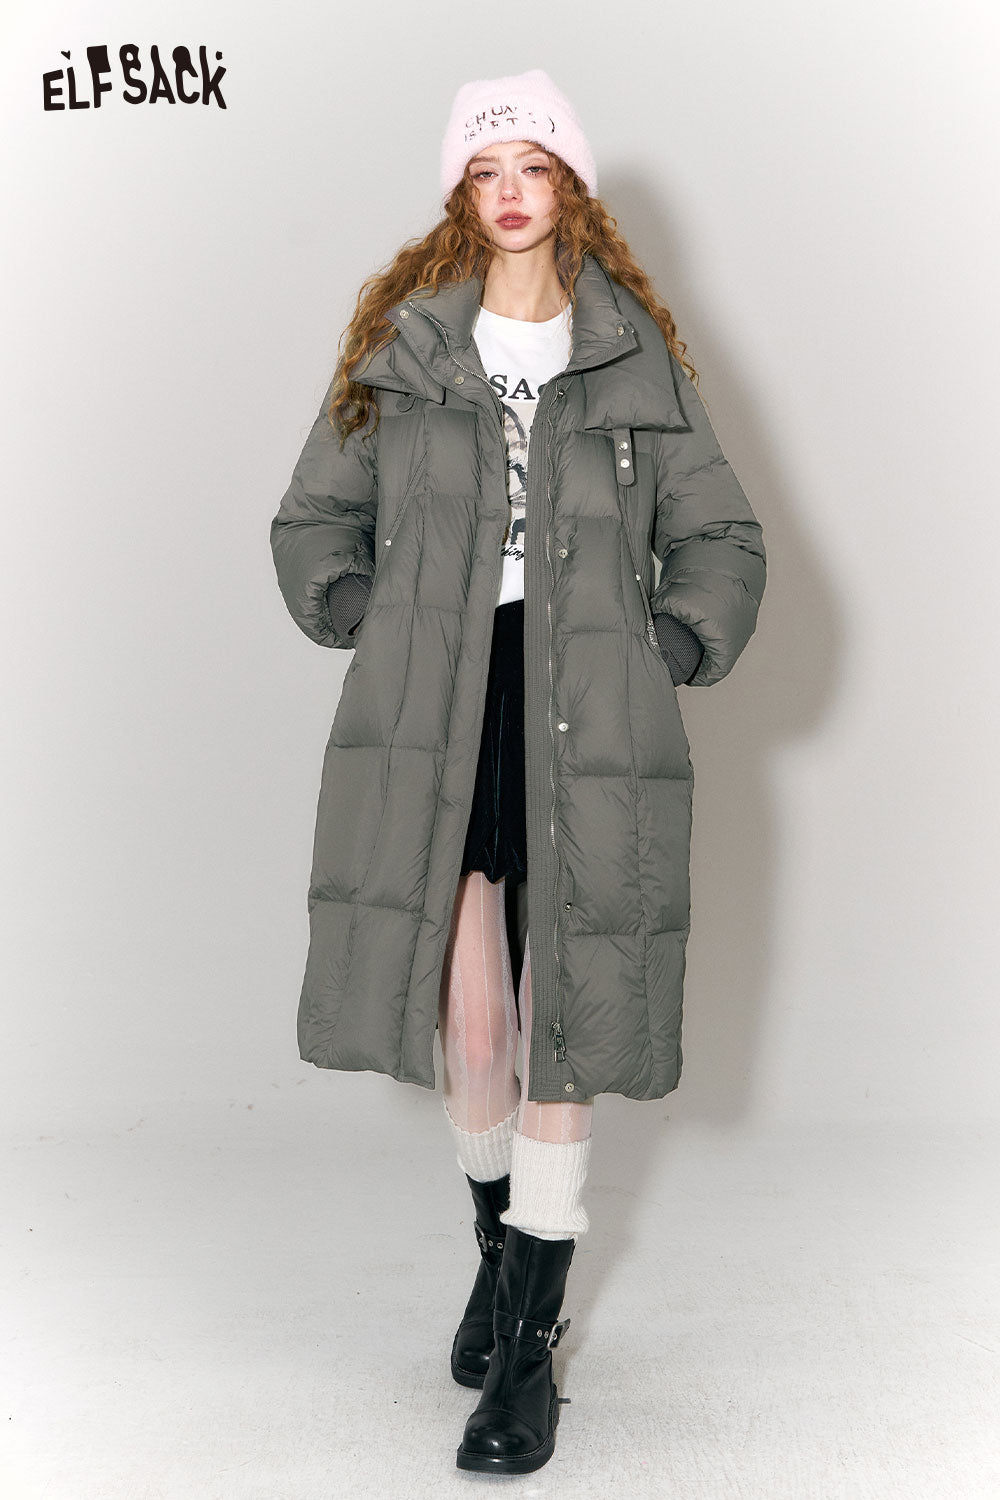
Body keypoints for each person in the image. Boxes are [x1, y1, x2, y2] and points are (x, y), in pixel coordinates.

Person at [269, 68, 766, 1476]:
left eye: (533, 165)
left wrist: (675, 639)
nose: (509, 190)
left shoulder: (630, 361)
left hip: (588, 703)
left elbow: (723, 535)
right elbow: (313, 517)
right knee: (477, 1023)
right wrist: (363, 613)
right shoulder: (407, 348)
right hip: (447, 704)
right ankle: (501, 1254)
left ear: (569, 189)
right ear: (460, 193)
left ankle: (529, 1344)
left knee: (571, 1008)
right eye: (486, 168)